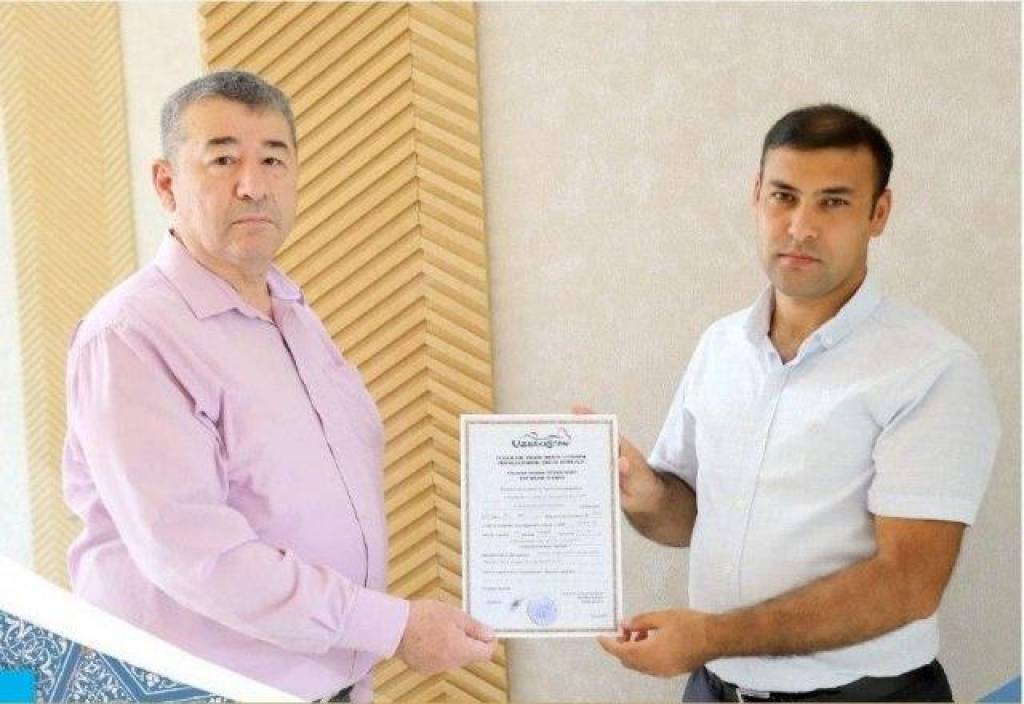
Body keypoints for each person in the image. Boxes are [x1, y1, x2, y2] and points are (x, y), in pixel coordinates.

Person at [61, 70, 495, 703]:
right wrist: (393, 627)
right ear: (166, 183)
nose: (253, 185)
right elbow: (198, 555)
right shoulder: (131, 336)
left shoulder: (289, 310)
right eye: (223, 160)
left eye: (272, 159)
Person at [595, 104, 1000, 702]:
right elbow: (688, 520)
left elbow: (908, 584)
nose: (800, 227)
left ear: (879, 212)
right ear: (756, 196)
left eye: (833, 202)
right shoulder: (721, 346)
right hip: (714, 689)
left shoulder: (932, 369)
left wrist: (710, 636)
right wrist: (647, 494)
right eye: (784, 197)